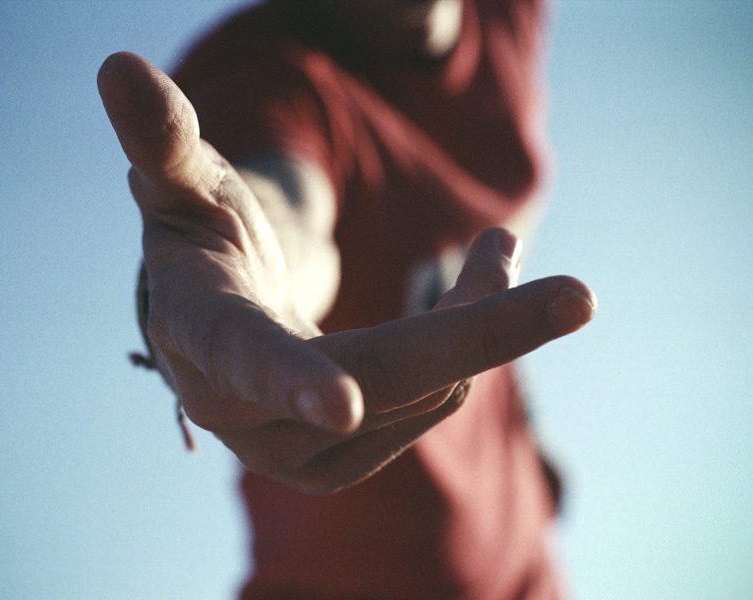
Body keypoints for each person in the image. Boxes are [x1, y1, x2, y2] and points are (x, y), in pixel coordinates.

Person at [98, 0, 596, 597]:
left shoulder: (510, 18)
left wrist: (529, 432)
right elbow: (278, 210)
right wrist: (230, 289)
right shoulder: (262, 72)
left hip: (528, 577)